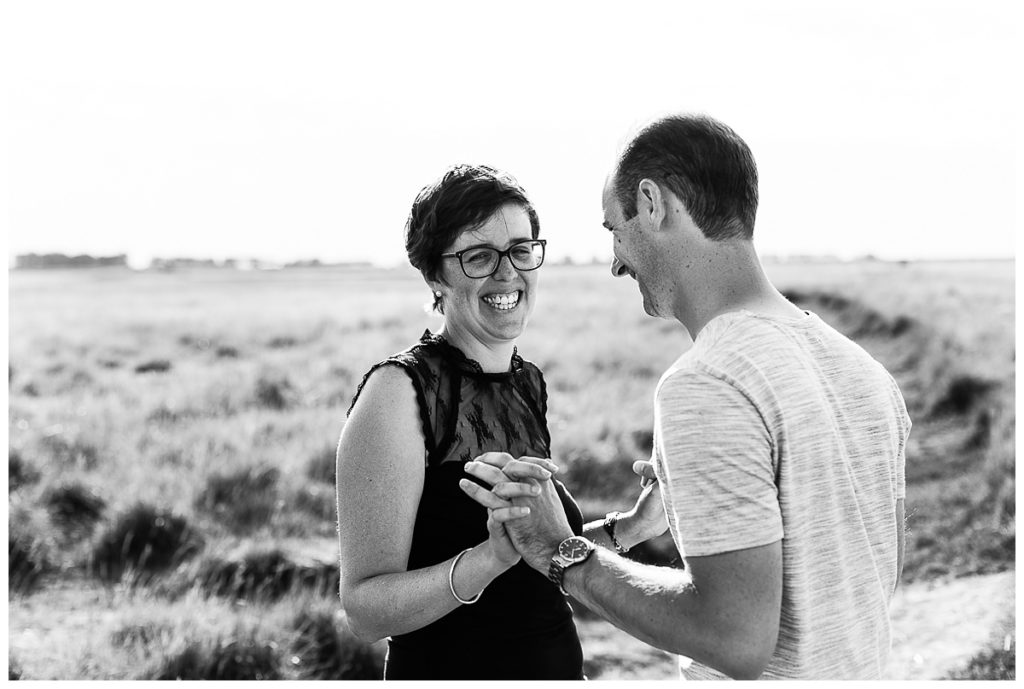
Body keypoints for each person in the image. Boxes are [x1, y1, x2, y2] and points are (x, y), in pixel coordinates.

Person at [460, 114, 911, 680]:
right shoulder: (865, 372)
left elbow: (734, 640)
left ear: (652, 203)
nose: (616, 261)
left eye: (613, 230)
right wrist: (662, 522)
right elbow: (875, 574)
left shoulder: (707, 381)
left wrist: (563, 553)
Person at [335, 164, 587, 680]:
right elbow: (364, 609)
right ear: (436, 277)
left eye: (521, 249)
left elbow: (537, 555)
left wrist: (635, 525)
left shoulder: (528, 382)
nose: (507, 272)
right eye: (478, 256)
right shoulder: (399, 393)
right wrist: (486, 560)